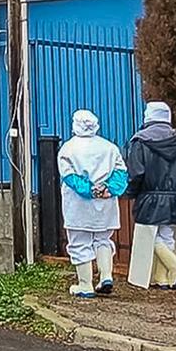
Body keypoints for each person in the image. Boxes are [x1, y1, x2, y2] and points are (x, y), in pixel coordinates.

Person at [56, 110, 128, 297]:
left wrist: (90, 190)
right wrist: (108, 189)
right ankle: (106, 275)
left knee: (79, 243)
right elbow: (121, 173)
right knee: (103, 239)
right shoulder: (110, 148)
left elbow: (70, 177)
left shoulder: (68, 149)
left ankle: (85, 284)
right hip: (106, 205)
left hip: (78, 206)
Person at [126, 101, 176, 289]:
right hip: (174, 197)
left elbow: (136, 173)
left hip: (150, 196)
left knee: (151, 237)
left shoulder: (141, 141)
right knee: (167, 235)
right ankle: (161, 278)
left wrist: (131, 192)